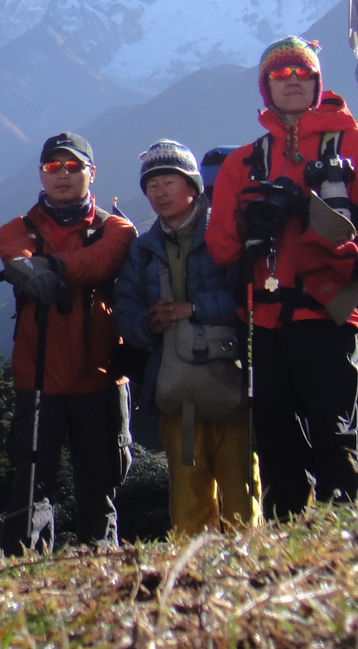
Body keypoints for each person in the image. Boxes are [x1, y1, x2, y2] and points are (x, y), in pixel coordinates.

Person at [206, 37, 358, 519]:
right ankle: (285, 543)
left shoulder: (354, 143)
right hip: (262, 317)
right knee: (274, 440)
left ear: (317, 81)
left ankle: (346, 534)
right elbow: (221, 247)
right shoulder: (242, 162)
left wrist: (354, 252)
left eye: (302, 73)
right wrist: (251, 222)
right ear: (265, 86)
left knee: (333, 432)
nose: (292, 81)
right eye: (280, 75)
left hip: (328, 309)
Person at [0, 132, 136, 550]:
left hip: (102, 377)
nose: (62, 175)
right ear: (41, 173)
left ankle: (104, 572)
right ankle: (22, 575)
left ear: (91, 173)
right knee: (30, 485)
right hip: (38, 381)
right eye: (53, 167)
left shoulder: (117, 230)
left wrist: (51, 264)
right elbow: (18, 260)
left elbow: (101, 262)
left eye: (73, 167)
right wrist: (32, 269)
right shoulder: (14, 230)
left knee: (101, 484)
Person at [114, 140, 255, 536]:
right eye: (151, 185)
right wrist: (146, 324)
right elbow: (123, 307)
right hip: (176, 386)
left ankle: (252, 571)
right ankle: (192, 575)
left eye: (168, 182)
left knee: (241, 484)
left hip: (232, 377)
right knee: (187, 488)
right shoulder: (141, 250)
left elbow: (250, 298)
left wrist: (193, 308)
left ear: (192, 186)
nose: (159, 192)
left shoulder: (227, 234)